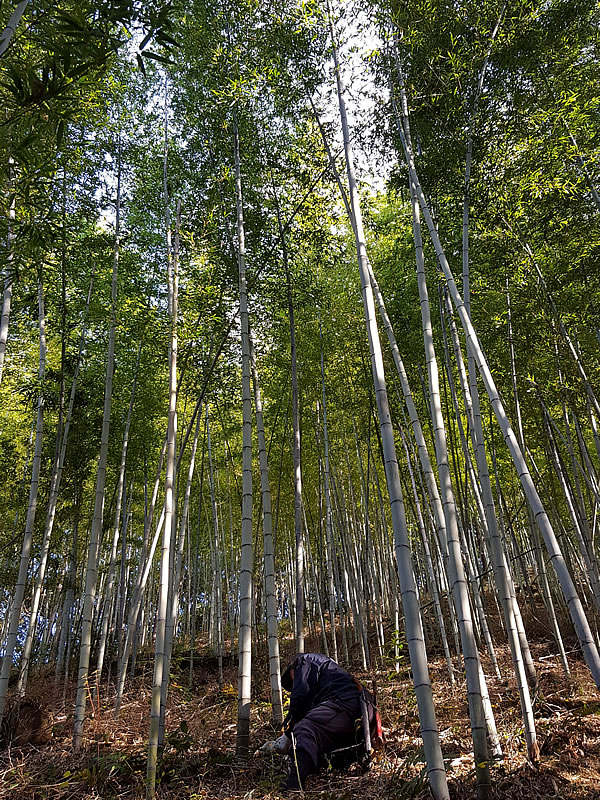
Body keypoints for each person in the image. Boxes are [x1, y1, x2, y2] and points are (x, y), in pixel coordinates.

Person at [279, 653, 377, 791]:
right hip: (364, 707)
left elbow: (300, 699)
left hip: (345, 703)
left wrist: (289, 734)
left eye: (292, 680)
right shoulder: (326, 668)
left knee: (305, 728)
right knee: (320, 731)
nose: (294, 683)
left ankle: (294, 783)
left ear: (292, 669)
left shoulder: (304, 660)